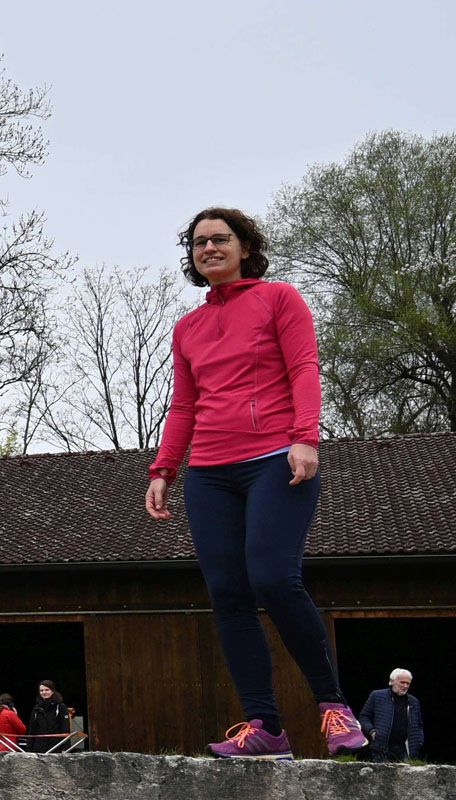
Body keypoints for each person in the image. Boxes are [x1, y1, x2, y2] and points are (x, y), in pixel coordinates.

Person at [145, 207, 366, 761]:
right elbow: (185, 404)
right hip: (209, 473)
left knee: (272, 577)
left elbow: (304, 368)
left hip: (275, 457)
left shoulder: (279, 299)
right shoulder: (187, 328)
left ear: (245, 247)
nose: (209, 248)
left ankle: (334, 706)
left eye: (221, 238)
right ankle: (265, 728)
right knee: (227, 594)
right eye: (199, 242)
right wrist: (164, 469)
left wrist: (306, 437)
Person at [359, 668, 423, 762]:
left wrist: (419, 741)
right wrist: (371, 731)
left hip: (406, 749)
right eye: (402, 682)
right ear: (392, 681)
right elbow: (364, 716)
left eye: (408, 683)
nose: (405, 686)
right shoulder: (377, 696)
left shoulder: (413, 701)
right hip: (382, 747)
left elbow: (419, 724)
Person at [26, 679, 70, 751]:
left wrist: (66, 747)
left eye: (47, 690)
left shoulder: (61, 707)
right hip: (38, 747)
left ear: (53, 691)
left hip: (55, 747)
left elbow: (65, 728)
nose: (44, 692)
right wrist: (29, 748)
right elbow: (32, 729)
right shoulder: (36, 708)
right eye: (41, 690)